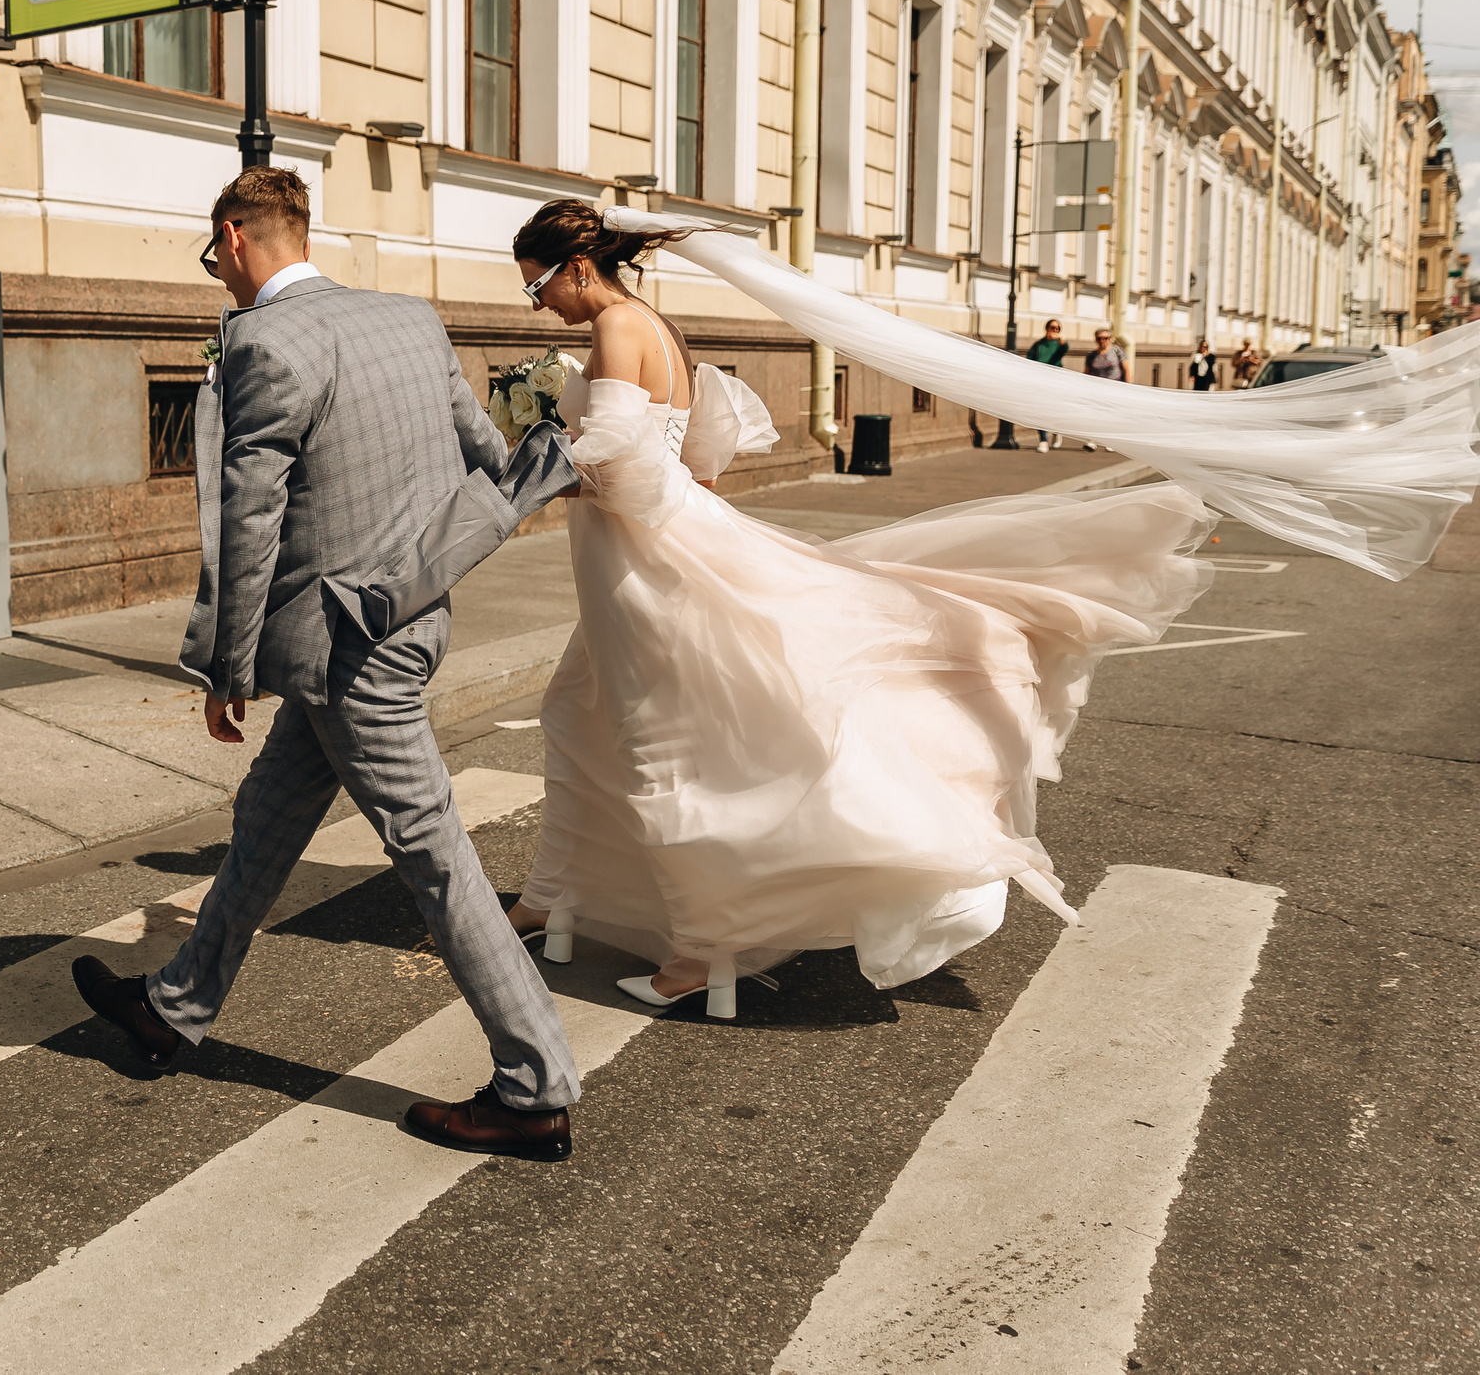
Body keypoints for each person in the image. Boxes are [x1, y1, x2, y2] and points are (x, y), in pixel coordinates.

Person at [499, 200, 1216, 1018]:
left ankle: (701, 949)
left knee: (667, 744)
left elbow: (623, 467)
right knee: (576, 713)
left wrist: (537, 456)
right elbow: (695, 455)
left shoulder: (616, 328)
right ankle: (550, 899)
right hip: (652, 548)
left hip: (647, 563)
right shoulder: (654, 324)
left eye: (539, 287)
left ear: (578, 269)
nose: (540, 305)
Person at [70, 166, 585, 1162]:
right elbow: (485, 451)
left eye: (213, 255)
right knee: (265, 820)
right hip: (406, 620)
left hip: (346, 651)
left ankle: (535, 1086)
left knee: (435, 860)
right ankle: (174, 1006)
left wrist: (226, 668)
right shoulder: (409, 318)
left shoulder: (263, 339)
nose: (218, 272)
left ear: (233, 237)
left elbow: (247, 523)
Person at [1026, 319, 1067, 450]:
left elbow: (1063, 350)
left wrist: (1061, 342)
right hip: (1040, 379)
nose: (1053, 330)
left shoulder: (1059, 344)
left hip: (1055, 379)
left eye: (1056, 328)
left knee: (1053, 408)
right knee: (1039, 409)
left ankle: (1056, 431)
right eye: (1051, 327)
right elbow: (1030, 358)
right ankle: (1043, 439)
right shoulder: (1039, 344)